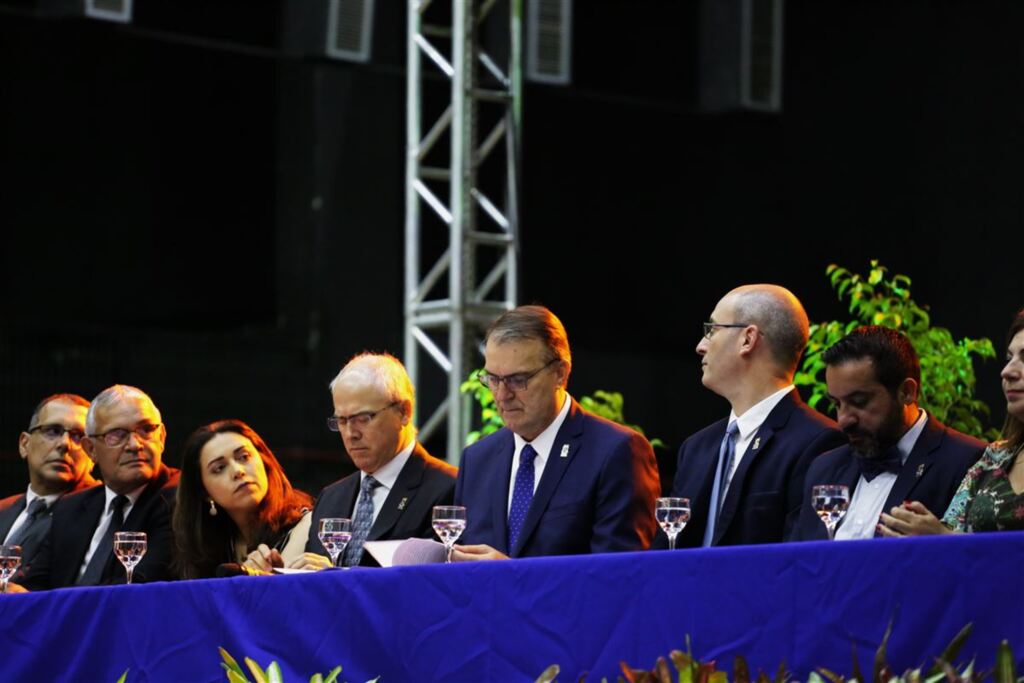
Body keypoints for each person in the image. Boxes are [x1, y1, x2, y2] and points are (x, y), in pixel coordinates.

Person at [452, 305, 660, 560]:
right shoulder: (476, 460)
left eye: (518, 380)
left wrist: (513, 575)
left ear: (560, 373)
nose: (502, 395)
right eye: (493, 379)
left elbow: (618, 579)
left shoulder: (616, 452)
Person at [666, 285, 845, 548]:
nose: (700, 346)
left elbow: (802, 558)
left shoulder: (820, 443)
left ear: (748, 339)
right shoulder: (696, 448)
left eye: (711, 330)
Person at [791, 326, 985, 541]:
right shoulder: (824, 468)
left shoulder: (969, 462)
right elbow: (801, 562)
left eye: (859, 402)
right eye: (837, 404)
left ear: (907, 392)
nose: (843, 420)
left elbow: (985, 564)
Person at [294, 352, 457, 569]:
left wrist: (337, 578)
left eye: (363, 418)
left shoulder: (449, 487)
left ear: (404, 412)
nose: (351, 433)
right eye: (341, 421)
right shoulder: (331, 498)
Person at [16, 385, 180, 590]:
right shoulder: (70, 508)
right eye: (117, 435)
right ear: (91, 449)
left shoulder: (179, 498)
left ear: (161, 438)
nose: (134, 444)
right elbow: (32, 586)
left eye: (146, 430)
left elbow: (140, 588)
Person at [878, 310, 1024, 535]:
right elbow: (952, 536)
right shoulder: (995, 457)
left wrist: (941, 538)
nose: (1007, 371)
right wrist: (928, 537)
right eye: (1009, 358)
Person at [173, 419, 313, 578]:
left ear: (264, 461)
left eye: (244, 457)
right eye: (219, 468)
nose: (237, 471)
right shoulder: (210, 546)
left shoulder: (305, 523)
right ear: (204, 492)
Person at [0, 394, 99, 582]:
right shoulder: (3, 509)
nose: (64, 444)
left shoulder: (100, 514)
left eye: (78, 436)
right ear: (24, 444)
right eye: (53, 431)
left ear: (92, 454)